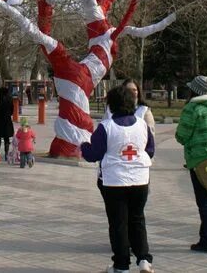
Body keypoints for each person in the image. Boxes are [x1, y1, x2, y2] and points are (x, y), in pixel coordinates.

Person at [81, 85, 154, 273]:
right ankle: (144, 259)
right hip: (140, 179)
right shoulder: (142, 125)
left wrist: (83, 145)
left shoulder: (106, 127)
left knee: (118, 223)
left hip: (115, 181)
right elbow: (150, 150)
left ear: (111, 105)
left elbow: (93, 154)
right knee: (137, 219)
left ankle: (121, 265)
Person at [175, 75, 207, 254]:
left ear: (194, 91)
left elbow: (181, 135)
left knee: (204, 201)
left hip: (199, 160)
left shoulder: (193, 108)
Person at [0, 86, 14, 159]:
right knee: (6, 138)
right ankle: (6, 153)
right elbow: (12, 110)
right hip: (7, 120)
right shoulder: (10, 98)